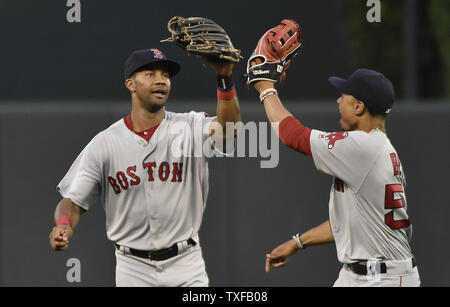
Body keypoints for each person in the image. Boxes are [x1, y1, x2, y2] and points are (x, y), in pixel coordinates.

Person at [48, 47, 241, 287]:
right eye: (150, 74)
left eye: (166, 75)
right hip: (133, 269)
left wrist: (224, 78)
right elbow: (73, 201)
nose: (161, 80)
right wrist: (63, 225)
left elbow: (229, 131)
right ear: (131, 84)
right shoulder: (105, 143)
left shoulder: (189, 126)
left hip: (186, 263)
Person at [253, 68, 421, 287]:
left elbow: (292, 136)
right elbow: (350, 224)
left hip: (384, 278)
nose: (338, 100)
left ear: (359, 107)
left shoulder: (363, 146)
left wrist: (266, 90)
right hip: (361, 274)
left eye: (343, 95)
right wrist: (297, 242)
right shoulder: (376, 147)